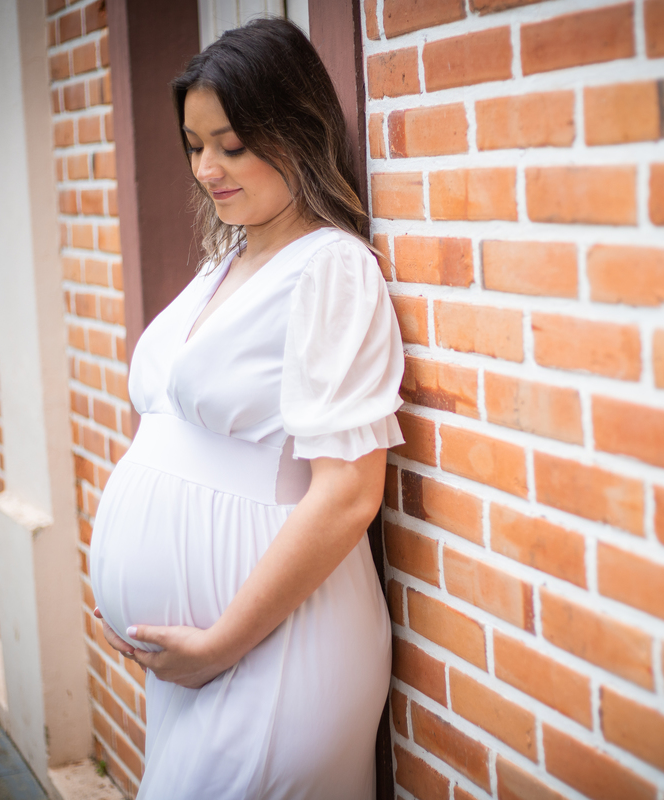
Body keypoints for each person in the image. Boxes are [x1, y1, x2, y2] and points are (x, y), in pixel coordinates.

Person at [87, 17, 404, 799]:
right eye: (195, 145)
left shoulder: (331, 269)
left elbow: (348, 493)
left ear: (295, 128)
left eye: (231, 144)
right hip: (198, 667)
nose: (207, 169)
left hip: (273, 650)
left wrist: (219, 645)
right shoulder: (229, 257)